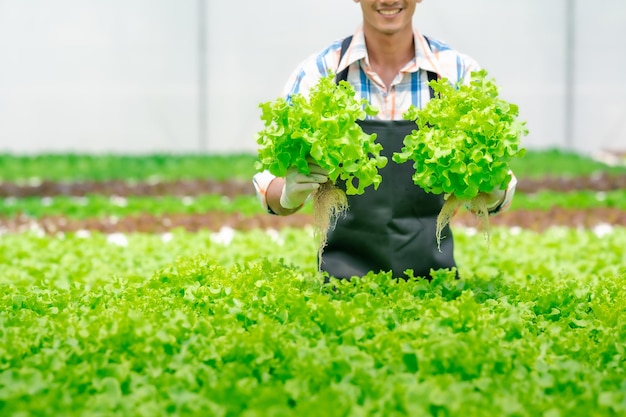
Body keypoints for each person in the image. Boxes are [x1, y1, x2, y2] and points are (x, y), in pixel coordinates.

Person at [253, 0, 517, 280]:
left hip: (434, 288)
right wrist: (287, 192)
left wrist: (491, 185)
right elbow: (269, 185)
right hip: (343, 288)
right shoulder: (319, 74)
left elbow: (496, 191)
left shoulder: (456, 73)